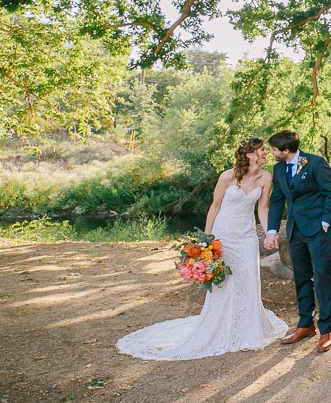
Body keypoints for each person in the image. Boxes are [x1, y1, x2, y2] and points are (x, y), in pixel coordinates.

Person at [117, 138, 288, 360]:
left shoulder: (266, 178)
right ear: (249, 155)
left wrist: (269, 233)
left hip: (246, 237)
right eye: (262, 150)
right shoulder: (227, 176)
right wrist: (205, 240)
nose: (265, 153)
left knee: (249, 281)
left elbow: (263, 208)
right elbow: (215, 206)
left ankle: (248, 334)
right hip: (223, 235)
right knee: (224, 284)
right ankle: (221, 329)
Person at [263, 130, 331, 353]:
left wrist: (325, 222)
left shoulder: (315, 163)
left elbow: (330, 193)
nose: (272, 152)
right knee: (301, 277)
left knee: (322, 276)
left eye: (274, 149)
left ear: (286, 151)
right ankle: (306, 324)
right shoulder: (278, 169)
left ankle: (326, 329)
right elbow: (277, 200)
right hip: (295, 231)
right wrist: (272, 230)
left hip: (317, 230)